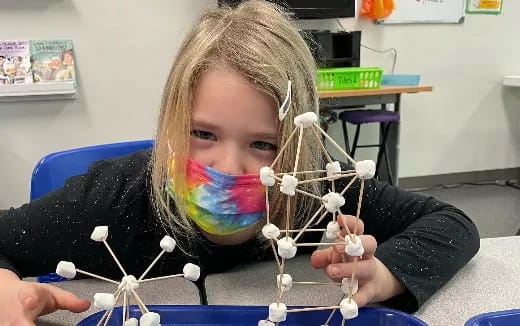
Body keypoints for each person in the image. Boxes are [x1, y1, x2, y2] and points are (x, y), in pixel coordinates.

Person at [0, 1, 479, 324]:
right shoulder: (112, 201)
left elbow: (452, 222)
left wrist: (384, 274)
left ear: (299, 145)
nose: (229, 167)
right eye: (202, 134)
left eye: (264, 145)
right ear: (171, 124)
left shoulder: (317, 192)